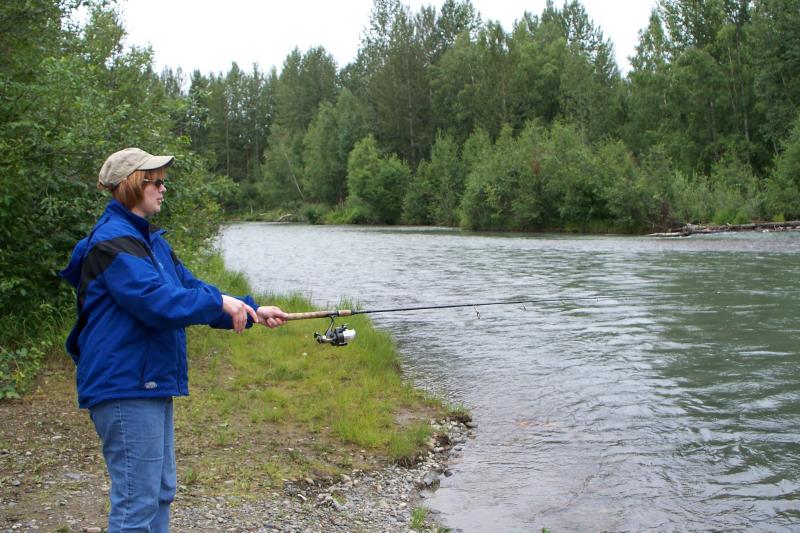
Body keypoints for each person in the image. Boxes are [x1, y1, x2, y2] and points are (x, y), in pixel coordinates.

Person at [58, 147, 288, 532]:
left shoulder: (152, 242)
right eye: (156, 182)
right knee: (137, 500)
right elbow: (158, 303)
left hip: (147, 381)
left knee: (160, 492)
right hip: (124, 384)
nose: (164, 189)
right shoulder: (113, 242)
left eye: (163, 181)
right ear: (132, 185)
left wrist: (251, 310)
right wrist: (220, 302)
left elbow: (190, 290)